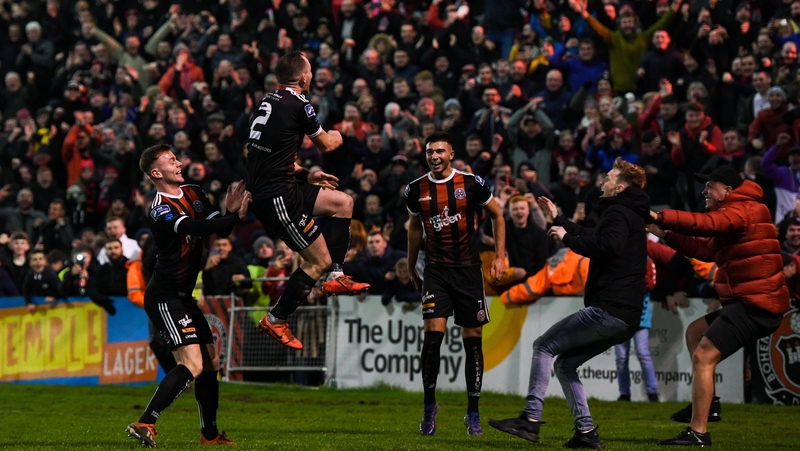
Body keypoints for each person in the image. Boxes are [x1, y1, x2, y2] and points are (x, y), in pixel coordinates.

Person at [489, 158, 650, 449]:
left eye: (609, 177)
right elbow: (596, 237)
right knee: (565, 365)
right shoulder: (630, 213)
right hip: (626, 316)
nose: (603, 181)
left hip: (609, 308)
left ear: (621, 186)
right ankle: (586, 432)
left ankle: (531, 419)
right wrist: (559, 220)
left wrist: (566, 238)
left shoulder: (617, 211)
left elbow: (605, 246)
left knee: (543, 346)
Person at [649, 166, 790, 446]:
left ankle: (698, 432)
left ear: (727, 190)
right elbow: (706, 250)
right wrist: (666, 233)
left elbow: (704, 225)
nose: (704, 191)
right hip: (753, 301)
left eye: (710, 185)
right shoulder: (740, 210)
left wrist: (659, 215)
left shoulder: (742, 209)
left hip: (757, 304)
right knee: (694, 332)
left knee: (704, 356)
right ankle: (708, 405)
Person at [125, 144, 251, 447]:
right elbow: (196, 227)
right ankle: (145, 421)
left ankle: (209, 435)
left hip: (182, 295)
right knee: (193, 363)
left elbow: (216, 230)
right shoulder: (160, 208)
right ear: (157, 173)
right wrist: (235, 218)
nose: (179, 163)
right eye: (171, 161)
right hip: (165, 297)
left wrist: (229, 213)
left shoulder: (193, 192)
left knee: (210, 362)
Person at [245, 51, 369, 350]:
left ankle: (338, 276)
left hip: (283, 185)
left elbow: (267, 156)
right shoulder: (300, 103)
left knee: (343, 203)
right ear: (303, 77)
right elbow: (327, 144)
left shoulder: (268, 101)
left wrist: (306, 174)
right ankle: (276, 319)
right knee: (318, 261)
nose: (311, 76)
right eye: (310, 71)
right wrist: (341, 133)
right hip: (277, 197)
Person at [405, 131, 507, 437]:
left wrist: (500, 257)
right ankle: (428, 406)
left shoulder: (471, 183)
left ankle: (473, 412)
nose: (434, 157)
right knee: (432, 341)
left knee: (472, 344)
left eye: (439, 151)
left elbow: (497, 216)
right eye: (429, 152)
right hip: (436, 272)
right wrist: (411, 265)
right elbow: (413, 228)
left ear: (451, 153)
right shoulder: (416, 189)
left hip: (468, 272)